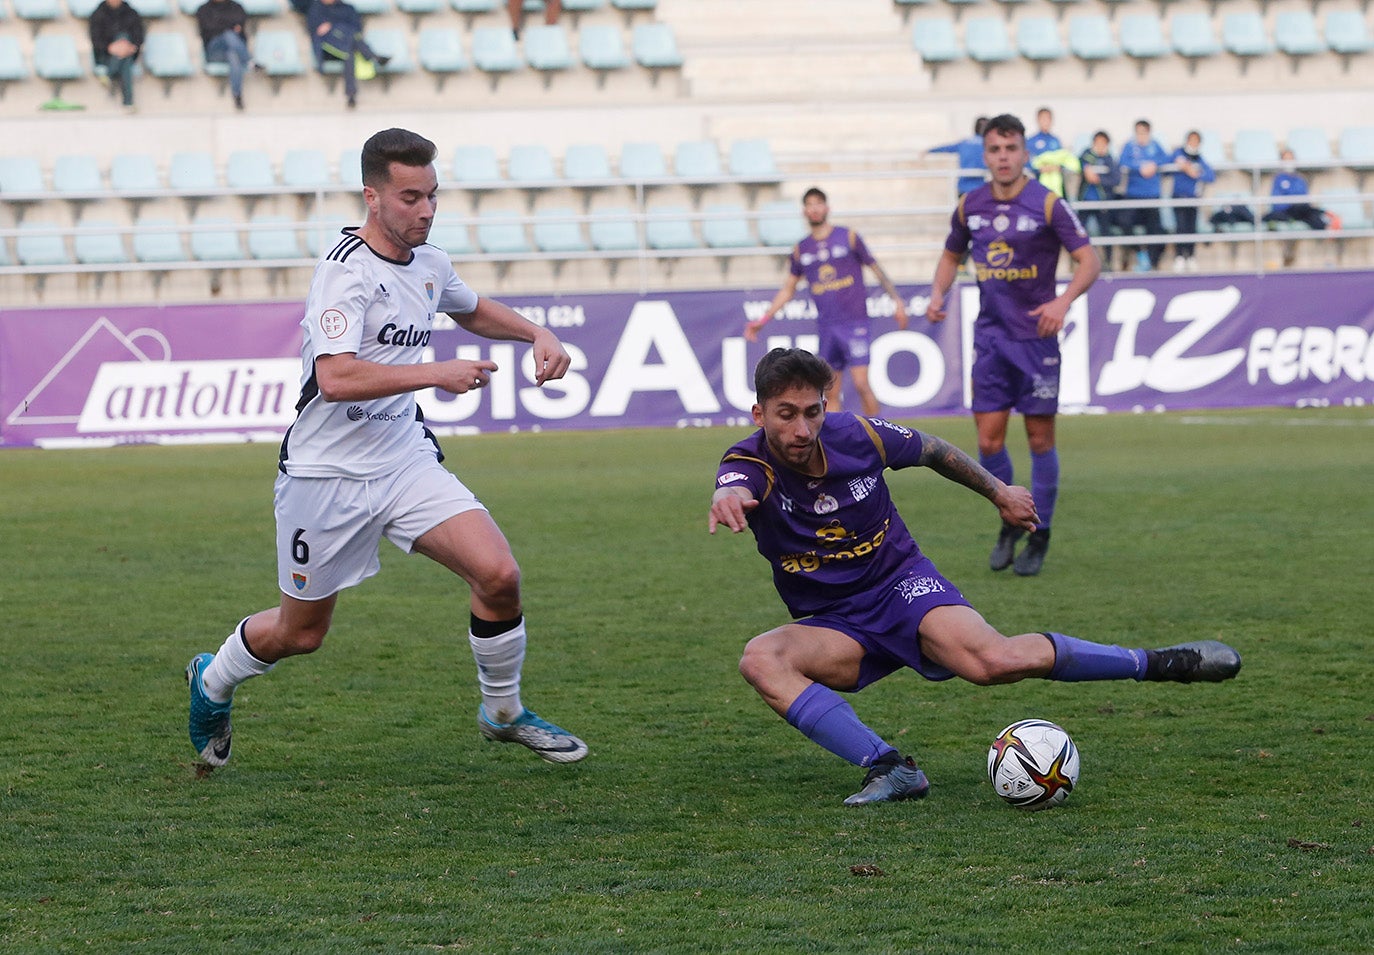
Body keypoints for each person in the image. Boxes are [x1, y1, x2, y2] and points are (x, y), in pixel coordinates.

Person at [186, 128, 588, 771]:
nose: (426, 210)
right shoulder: (344, 273)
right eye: (410, 198)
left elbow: (471, 308)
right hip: (325, 475)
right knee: (301, 634)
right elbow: (336, 377)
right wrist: (435, 373)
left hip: (402, 460)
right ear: (373, 198)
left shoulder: (429, 262)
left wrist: (534, 331)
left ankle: (503, 712)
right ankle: (213, 679)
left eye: (432, 196)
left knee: (499, 575)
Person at [708, 347, 1242, 806]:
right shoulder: (748, 463)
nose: (802, 429)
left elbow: (935, 451)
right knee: (762, 658)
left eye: (812, 412)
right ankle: (892, 768)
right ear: (760, 413)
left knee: (996, 662)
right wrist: (727, 497)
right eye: (785, 415)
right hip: (834, 623)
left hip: (901, 586)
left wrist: (1000, 492)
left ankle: (1158, 663)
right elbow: (733, 483)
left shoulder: (860, 435)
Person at [925, 113, 1100, 577]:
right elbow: (950, 254)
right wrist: (938, 292)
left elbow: (1089, 260)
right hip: (991, 339)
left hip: (1036, 340)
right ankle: (1009, 518)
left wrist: (1063, 301)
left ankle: (1039, 532)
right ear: (985, 155)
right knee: (987, 440)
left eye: (1011, 149)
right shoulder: (970, 205)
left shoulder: (1047, 204)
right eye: (995, 150)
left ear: (1025, 153)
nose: (1003, 157)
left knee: (1040, 438)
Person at [744, 188, 909, 417]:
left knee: (861, 384)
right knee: (830, 391)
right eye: (809, 204)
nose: (814, 208)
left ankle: (879, 441)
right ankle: (835, 447)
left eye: (818, 203)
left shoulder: (848, 236)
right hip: (827, 327)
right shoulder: (801, 249)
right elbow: (788, 290)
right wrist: (762, 320)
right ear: (804, 211)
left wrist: (897, 301)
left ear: (827, 207)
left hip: (854, 323)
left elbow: (876, 269)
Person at [307, 0, 389, 109]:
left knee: (349, 51)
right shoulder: (316, 9)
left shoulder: (347, 8)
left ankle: (351, 95)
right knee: (350, 41)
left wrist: (333, 25)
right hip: (328, 47)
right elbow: (315, 31)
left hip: (347, 44)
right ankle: (373, 56)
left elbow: (357, 27)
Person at [1118, 119, 1171, 272]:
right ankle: (1139, 251)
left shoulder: (1155, 146)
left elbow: (1166, 158)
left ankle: (1151, 261)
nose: (1141, 136)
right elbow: (1122, 161)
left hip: (1151, 195)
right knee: (1124, 222)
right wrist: (1139, 167)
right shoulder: (1129, 146)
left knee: (1155, 229)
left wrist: (1154, 164)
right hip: (1133, 195)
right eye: (1138, 132)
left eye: (1144, 132)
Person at [196, 0, 258, 111]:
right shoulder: (204, 9)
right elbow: (208, 29)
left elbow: (241, 26)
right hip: (214, 51)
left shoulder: (237, 7)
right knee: (229, 35)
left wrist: (221, 25)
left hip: (232, 49)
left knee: (233, 55)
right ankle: (250, 61)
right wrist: (229, 27)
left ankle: (237, 95)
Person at [1167, 130, 1216, 272]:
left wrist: (1195, 172)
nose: (1193, 143)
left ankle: (1191, 256)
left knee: (1191, 228)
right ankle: (1179, 256)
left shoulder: (1199, 159)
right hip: (1178, 196)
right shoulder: (1178, 153)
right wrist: (1182, 167)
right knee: (1180, 227)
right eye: (1191, 140)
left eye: (1196, 141)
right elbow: (1167, 166)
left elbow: (1210, 176)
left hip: (1193, 198)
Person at [1076, 130, 1124, 268]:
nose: (1100, 146)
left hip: (1103, 202)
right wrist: (1086, 169)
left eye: (1103, 143)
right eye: (1098, 143)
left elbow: (1116, 179)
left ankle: (1107, 262)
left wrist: (1099, 179)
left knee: (1105, 232)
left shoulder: (1110, 160)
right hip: (1085, 201)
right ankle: (1081, 263)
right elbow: (1079, 162)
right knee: (1080, 232)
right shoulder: (1087, 155)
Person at [88, 0, 144, 112]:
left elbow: (139, 36)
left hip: (128, 53)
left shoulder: (131, 13)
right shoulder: (98, 14)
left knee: (124, 43)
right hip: (105, 56)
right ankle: (128, 102)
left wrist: (130, 47)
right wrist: (110, 47)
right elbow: (95, 39)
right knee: (125, 60)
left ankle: (109, 74)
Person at [926, 116, 990, 197]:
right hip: (979, 188)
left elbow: (946, 148)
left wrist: (929, 151)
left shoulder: (965, 142)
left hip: (963, 188)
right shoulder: (988, 144)